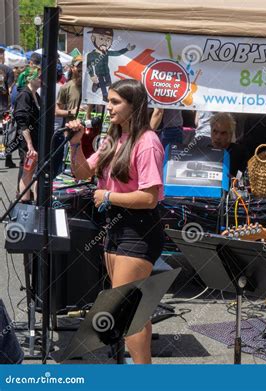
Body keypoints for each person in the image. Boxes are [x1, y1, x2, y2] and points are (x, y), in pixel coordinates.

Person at [66, 79, 165, 364]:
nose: (108, 107)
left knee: (125, 311)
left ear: (134, 106)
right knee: (131, 309)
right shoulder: (113, 139)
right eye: (108, 101)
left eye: (115, 102)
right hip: (115, 228)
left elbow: (149, 198)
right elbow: (83, 172)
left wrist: (108, 195)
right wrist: (76, 145)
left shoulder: (147, 143)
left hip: (139, 229)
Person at [13, 65, 41, 202]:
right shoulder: (25, 95)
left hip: (36, 140)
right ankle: (23, 203)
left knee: (35, 172)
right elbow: (21, 120)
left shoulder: (36, 94)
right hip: (28, 143)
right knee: (28, 171)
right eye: (39, 77)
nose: (41, 79)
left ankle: (35, 202)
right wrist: (29, 145)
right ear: (31, 78)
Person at [199, 112, 248, 177]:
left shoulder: (240, 153)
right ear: (210, 131)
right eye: (215, 132)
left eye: (223, 133)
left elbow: (242, 175)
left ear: (230, 135)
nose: (218, 137)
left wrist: (235, 180)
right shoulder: (205, 152)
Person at [0, 47, 15, 168]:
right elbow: (10, 90)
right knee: (7, 132)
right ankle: (8, 158)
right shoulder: (8, 70)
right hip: (5, 108)